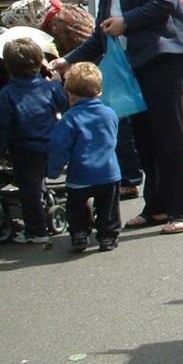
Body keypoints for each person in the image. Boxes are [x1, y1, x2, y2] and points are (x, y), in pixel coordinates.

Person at [51, 0, 183, 236]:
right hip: (137, 66)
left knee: (170, 137)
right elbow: (101, 34)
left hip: (164, 60)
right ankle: (159, 207)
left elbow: (166, 0)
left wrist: (127, 22)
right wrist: (66, 60)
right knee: (146, 140)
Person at [0, 36, 69, 244]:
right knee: (40, 179)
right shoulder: (48, 88)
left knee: (28, 189)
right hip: (51, 143)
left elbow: (4, 126)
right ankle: (48, 201)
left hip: (24, 148)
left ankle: (36, 230)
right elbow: (64, 104)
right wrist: (55, 81)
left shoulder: (7, 94)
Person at [47, 62, 122, 252]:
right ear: (99, 92)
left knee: (76, 206)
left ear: (71, 94)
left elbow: (59, 147)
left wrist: (53, 170)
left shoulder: (69, 119)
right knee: (108, 207)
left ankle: (80, 232)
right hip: (108, 171)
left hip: (80, 172)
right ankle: (108, 235)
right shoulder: (109, 113)